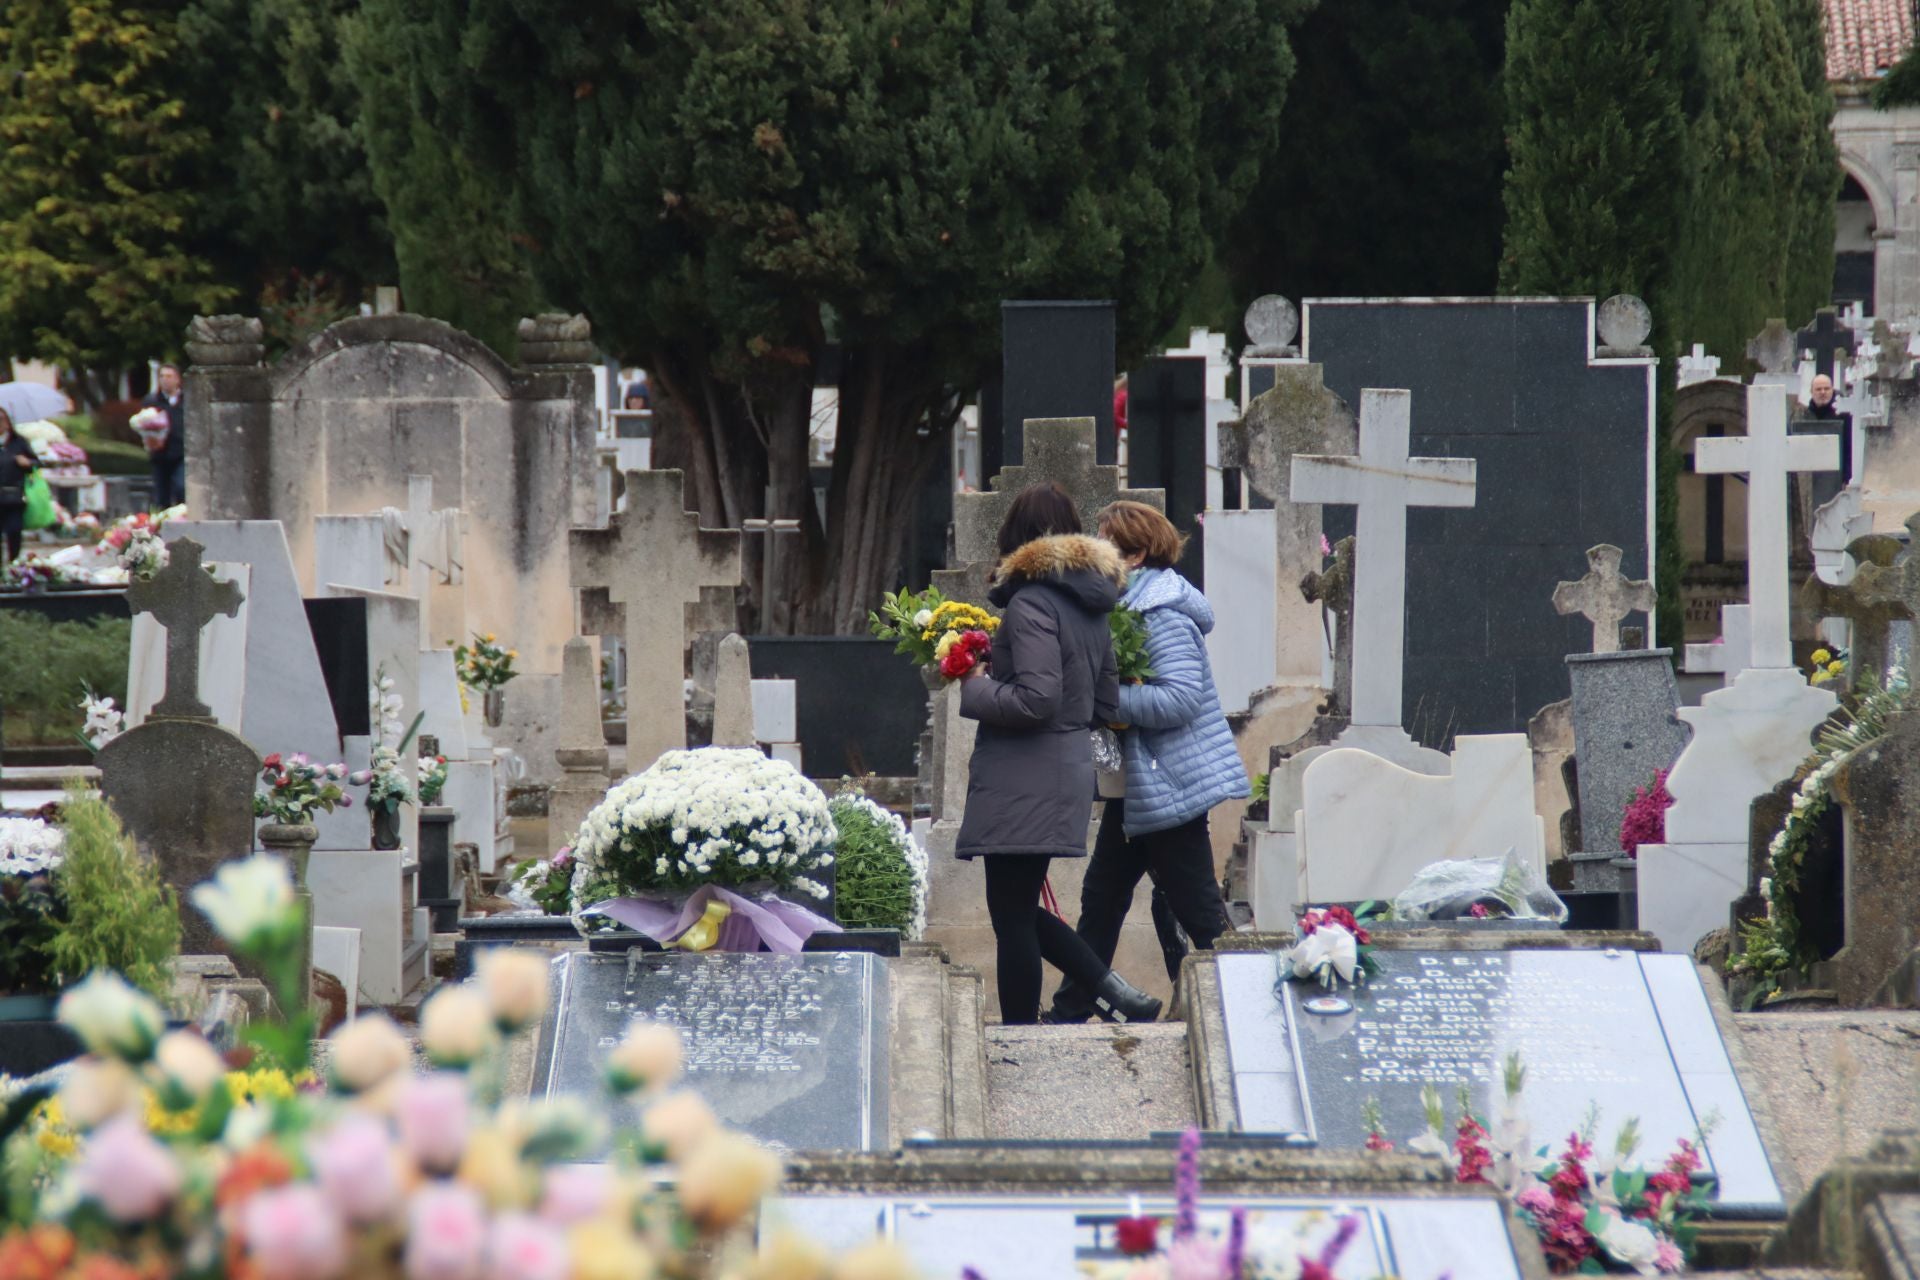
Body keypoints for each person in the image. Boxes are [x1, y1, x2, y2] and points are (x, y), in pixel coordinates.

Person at [956, 482, 1162, 1025]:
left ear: (1018, 537)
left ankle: (1023, 1030)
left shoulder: (1029, 603)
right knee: (1016, 907)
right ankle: (1112, 987)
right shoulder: (1090, 605)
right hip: (1065, 769)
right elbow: (1106, 698)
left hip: (1024, 773)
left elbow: (1037, 698)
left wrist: (975, 684)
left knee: (1011, 913)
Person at [1049, 500, 1248, 1024]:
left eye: (1105, 543)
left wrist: (1104, 698)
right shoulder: (1128, 609)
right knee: (1103, 896)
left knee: (1200, 912)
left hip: (1170, 785)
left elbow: (1180, 700)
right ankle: (1071, 1008)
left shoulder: (1159, 614)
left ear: (1135, 555)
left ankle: (1252, 1012)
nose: (1094, 553)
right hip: (1146, 785)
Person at [141, 363, 186, 509]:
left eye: (169, 376)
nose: (165, 380)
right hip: (160, 455)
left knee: (181, 487)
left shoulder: (186, 400)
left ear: (177, 379)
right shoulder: (151, 401)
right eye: (162, 376)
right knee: (161, 496)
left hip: (181, 454)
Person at [0, 408, 37, 564]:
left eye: (2, 419)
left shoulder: (18, 442)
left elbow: (36, 463)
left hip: (14, 497)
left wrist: (27, 463)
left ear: (8, 423)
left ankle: (13, 564)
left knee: (14, 531)